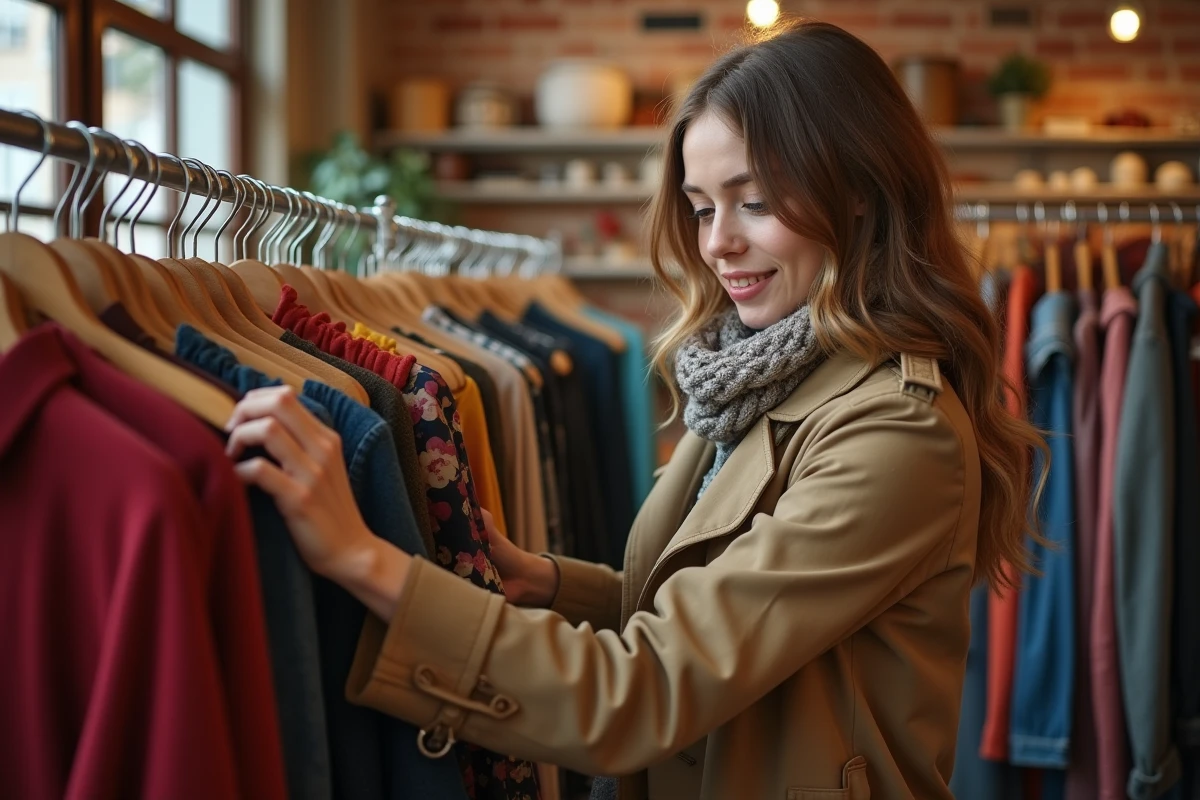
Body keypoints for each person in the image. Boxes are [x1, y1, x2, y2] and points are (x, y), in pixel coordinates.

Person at [224, 19, 1045, 800]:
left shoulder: (895, 432)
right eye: (700, 206)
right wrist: (546, 582)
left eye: (752, 202)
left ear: (860, 193)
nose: (715, 241)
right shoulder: (754, 382)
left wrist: (364, 559)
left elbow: (645, 689)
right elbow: (706, 613)